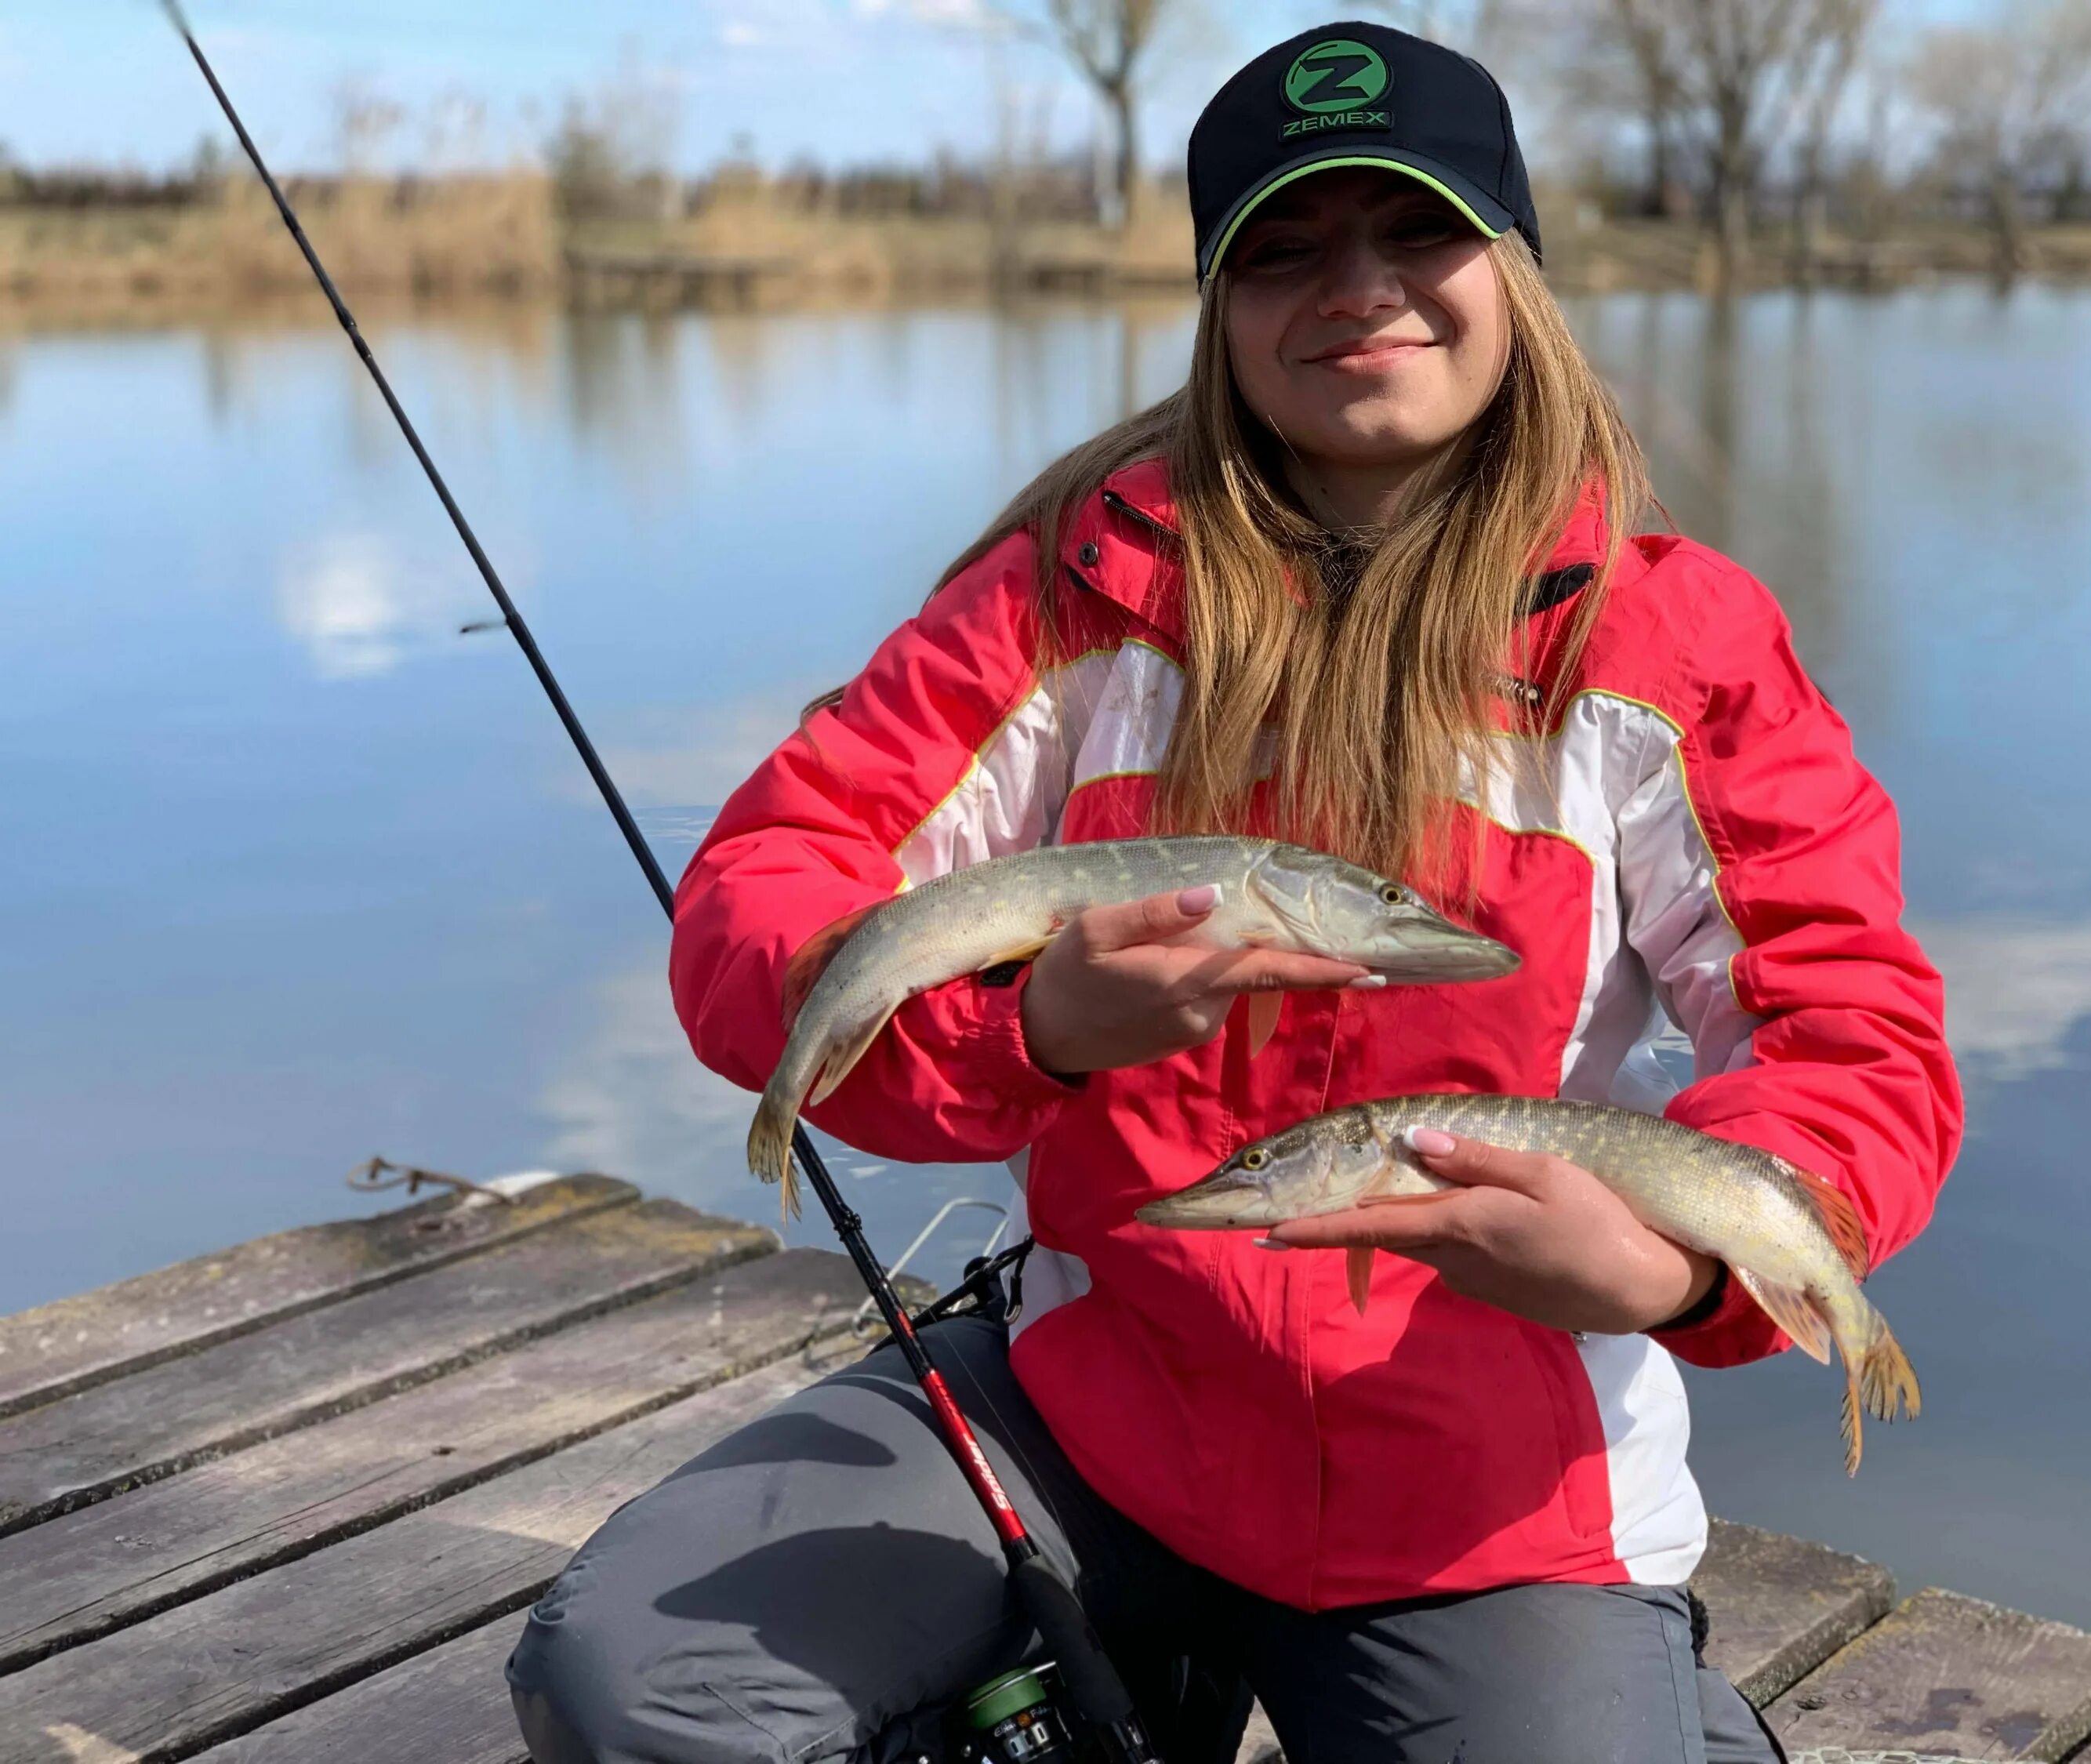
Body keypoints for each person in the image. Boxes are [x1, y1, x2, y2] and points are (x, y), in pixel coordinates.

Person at [506, 20, 1962, 1764]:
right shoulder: (1064, 597)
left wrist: (1662, 1273)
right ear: (1219, 305)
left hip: (1485, 1513)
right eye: (1283, 250)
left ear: (1514, 266)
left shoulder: (1674, 650)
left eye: (1415, 232)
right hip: (1092, 1413)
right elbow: (768, 890)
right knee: (635, 1688)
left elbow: (1854, 1032)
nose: (1357, 290)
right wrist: (1027, 1026)